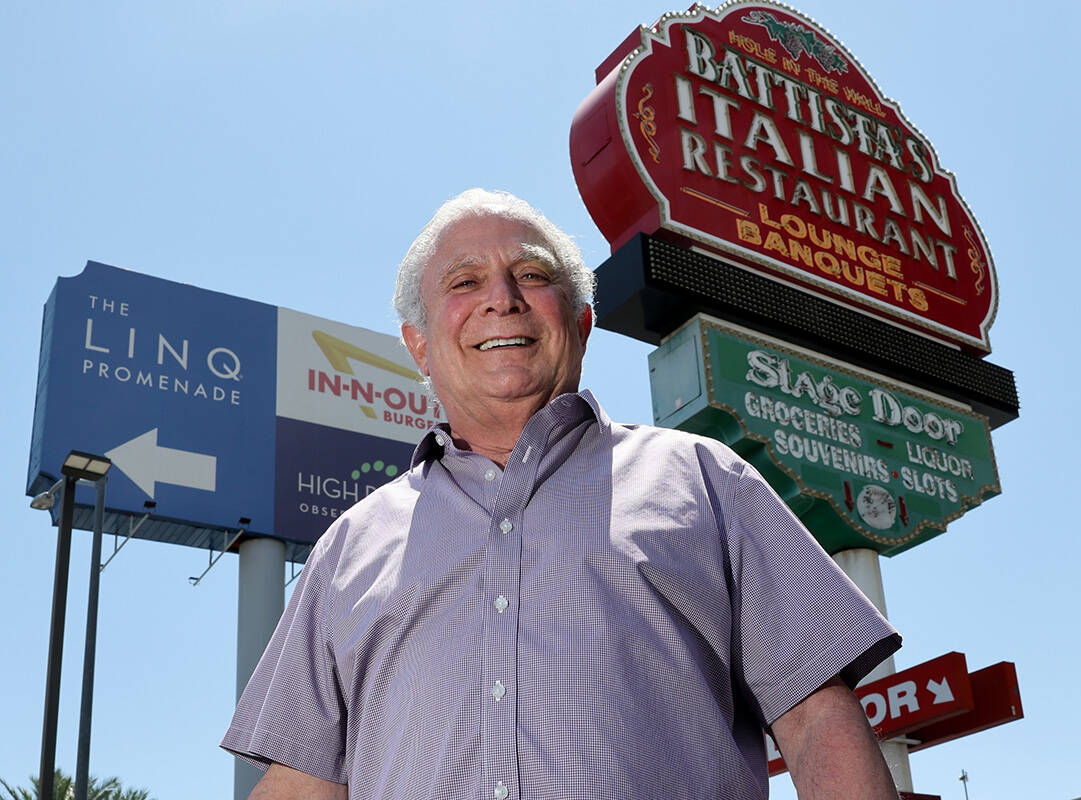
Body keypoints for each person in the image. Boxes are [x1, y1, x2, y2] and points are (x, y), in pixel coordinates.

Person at [222, 189, 902, 800]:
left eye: (531, 275)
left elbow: (817, 720)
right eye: (464, 282)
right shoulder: (348, 546)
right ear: (419, 346)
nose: (502, 299)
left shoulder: (703, 479)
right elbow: (302, 784)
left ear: (580, 322)